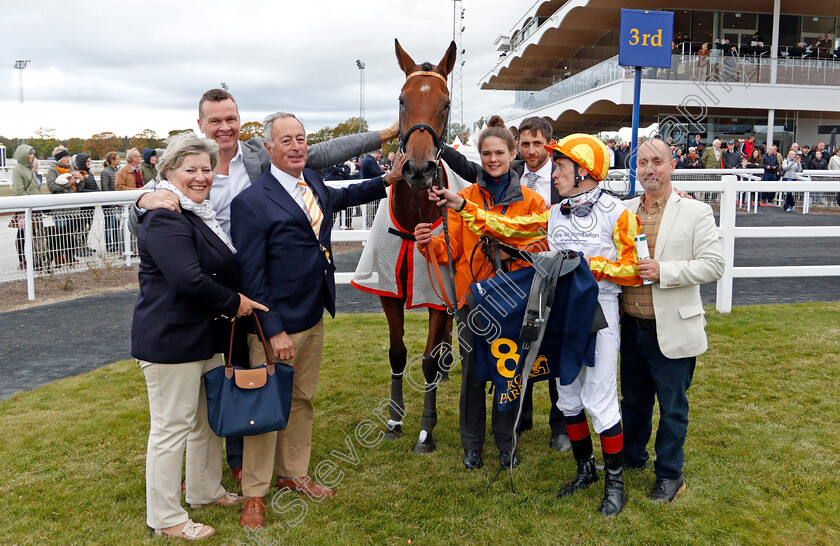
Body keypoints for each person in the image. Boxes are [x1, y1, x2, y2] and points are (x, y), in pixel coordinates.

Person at [130, 88, 397, 484]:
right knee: (239, 391)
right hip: (217, 293)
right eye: (215, 121)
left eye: (230, 119)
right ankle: (235, 478)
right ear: (200, 125)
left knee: (258, 386)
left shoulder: (265, 158)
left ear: (242, 123)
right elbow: (153, 205)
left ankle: (248, 471)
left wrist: (388, 140)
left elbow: (329, 168)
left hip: (253, 295)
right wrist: (141, 202)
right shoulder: (187, 168)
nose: (224, 127)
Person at [427, 133, 642, 517]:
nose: (551, 172)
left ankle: (615, 485)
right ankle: (585, 470)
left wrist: (587, 267)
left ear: (583, 171)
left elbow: (634, 271)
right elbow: (507, 228)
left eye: (559, 166)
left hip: (599, 315)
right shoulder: (553, 214)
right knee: (567, 397)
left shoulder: (618, 213)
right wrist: (461, 204)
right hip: (560, 313)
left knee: (600, 399)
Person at [231, 112, 400, 530]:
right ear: (268, 148)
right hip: (277, 326)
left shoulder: (315, 182)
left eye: (301, 139)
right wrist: (274, 330)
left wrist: (386, 181)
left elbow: (342, 199)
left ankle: (293, 473)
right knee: (265, 409)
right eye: (286, 140)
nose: (296, 147)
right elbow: (251, 275)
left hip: (312, 316)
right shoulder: (251, 203)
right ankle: (254, 493)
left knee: (302, 400)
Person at [132, 133, 267, 540]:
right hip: (171, 340)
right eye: (189, 169)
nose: (200, 176)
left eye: (206, 169)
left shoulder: (198, 213)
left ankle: (205, 491)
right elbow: (189, 280)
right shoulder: (165, 216)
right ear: (168, 173)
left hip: (204, 337)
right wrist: (236, 302)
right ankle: (166, 517)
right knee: (171, 428)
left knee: (205, 424)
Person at [415, 116, 546, 472]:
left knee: (510, 373)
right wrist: (431, 244)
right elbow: (452, 245)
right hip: (473, 300)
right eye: (486, 153)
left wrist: (509, 252)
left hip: (513, 300)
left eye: (499, 152)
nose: (492, 159)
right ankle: (472, 444)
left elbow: (541, 244)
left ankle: (507, 443)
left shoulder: (533, 202)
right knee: (473, 374)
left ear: (511, 153)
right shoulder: (465, 199)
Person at [619, 138, 724, 503]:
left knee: (672, 407)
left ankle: (669, 475)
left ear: (672, 164)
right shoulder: (624, 210)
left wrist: (664, 270)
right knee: (633, 401)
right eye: (643, 162)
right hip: (630, 327)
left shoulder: (695, 212)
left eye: (657, 161)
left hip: (673, 329)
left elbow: (714, 264)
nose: (650, 169)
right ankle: (632, 457)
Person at [508, 116, 570, 452]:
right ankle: (521, 415)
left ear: (549, 142)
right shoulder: (510, 171)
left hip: (557, 271)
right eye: (525, 143)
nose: (531, 150)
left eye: (537, 143)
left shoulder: (566, 174)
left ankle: (560, 425)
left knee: (555, 345)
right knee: (522, 343)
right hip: (519, 272)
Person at [11, 145, 41, 269]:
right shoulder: (18, 169)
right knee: (23, 235)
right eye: (30, 154)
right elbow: (19, 190)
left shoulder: (29, 169)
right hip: (25, 206)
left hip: (35, 206)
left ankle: (37, 258)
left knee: (37, 234)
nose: (33, 156)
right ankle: (22, 259)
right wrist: (28, 204)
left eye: (33, 154)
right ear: (24, 155)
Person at [100, 152, 122, 252]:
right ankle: (109, 245)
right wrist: (111, 204)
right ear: (112, 160)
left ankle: (117, 244)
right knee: (109, 225)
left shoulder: (117, 171)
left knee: (117, 226)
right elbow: (105, 188)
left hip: (117, 203)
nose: (119, 160)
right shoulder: (105, 172)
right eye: (117, 159)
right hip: (108, 205)